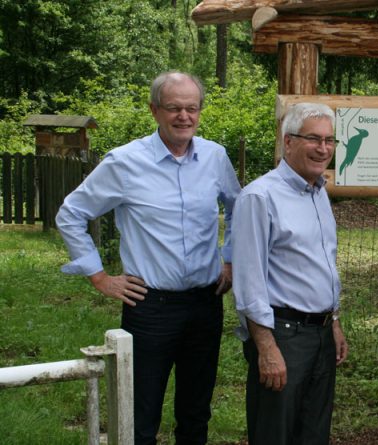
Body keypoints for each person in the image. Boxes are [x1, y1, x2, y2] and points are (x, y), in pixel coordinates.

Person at [56, 71, 241, 445]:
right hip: (149, 307)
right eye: (174, 108)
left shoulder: (215, 157)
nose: (184, 116)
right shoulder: (125, 162)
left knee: (196, 410)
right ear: (154, 110)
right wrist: (99, 276)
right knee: (140, 413)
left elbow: (238, 207)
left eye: (192, 108)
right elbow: (71, 214)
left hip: (206, 303)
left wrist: (230, 259)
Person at [231, 102, 349, 445]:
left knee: (313, 433)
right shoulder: (259, 197)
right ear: (288, 142)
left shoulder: (318, 192)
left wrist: (335, 321)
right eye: (313, 139)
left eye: (329, 140)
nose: (323, 148)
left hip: (321, 335)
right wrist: (266, 348)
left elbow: (321, 263)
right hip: (282, 336)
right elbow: (249, 282)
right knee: (275, 434)